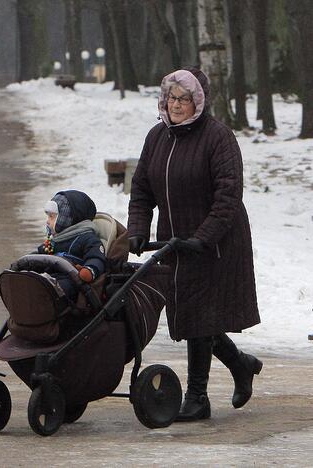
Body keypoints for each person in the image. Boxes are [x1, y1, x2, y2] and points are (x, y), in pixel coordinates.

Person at [127, 67, 262, 422]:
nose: (176, 105)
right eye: (171, 98)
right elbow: (141, 190)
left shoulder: (218, 138)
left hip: (217, 240)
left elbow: (228, 196)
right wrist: (138, 230)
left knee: (200, 315)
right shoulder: (158, 138)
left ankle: (197, 397)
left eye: (184, 99)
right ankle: (240, 364)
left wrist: (203, 238)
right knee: (191, 312)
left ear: (198, 102)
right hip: (175, 240)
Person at [38, 190, 107, 303]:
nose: (47, 222)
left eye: (52, 217)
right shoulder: (54, 240)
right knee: (33, 281)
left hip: (71, 280)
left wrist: (89, 270)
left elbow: (96, 257)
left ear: (67, 218)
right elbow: (40, 253)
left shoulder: (88, 239)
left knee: (57, 288)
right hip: (50, 276)